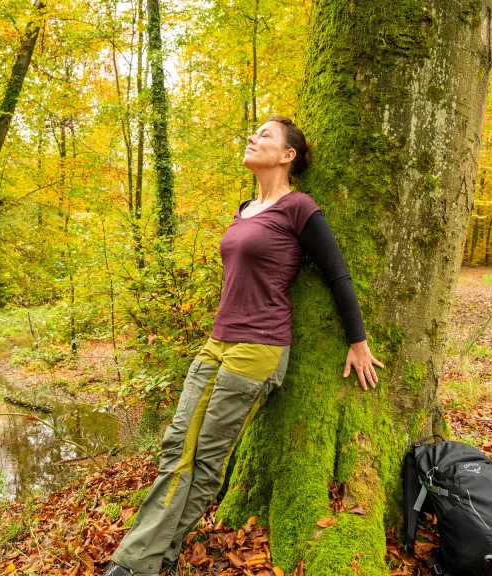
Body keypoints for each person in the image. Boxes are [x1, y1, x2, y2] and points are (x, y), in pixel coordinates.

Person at [103, 115, 384, 576]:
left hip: (259, 347)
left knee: (206, 460)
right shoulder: (243, 210)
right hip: (216, 342)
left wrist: (358, 340)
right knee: (177, 451)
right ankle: (158, 556)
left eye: (265, 135)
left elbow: (336, 271)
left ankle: (132, 564)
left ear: (288, 155)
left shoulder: (298, 208)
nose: (253, 138)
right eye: (253, 132)